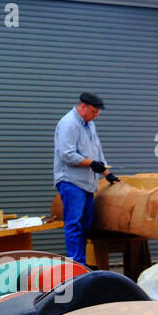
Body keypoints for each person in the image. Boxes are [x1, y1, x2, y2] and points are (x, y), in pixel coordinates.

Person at [54, 92, 111, 265]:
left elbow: (97, 151)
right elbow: (67, 154)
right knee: (74, 224)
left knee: (86, 224)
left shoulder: (89, 124)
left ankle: (81, 262)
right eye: (94, 111)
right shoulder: (68, 124)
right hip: (71, 182)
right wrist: (92, 164)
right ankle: (76, 264)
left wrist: (107, 172)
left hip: (87, 183)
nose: (96, 115)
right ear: (82, 107)